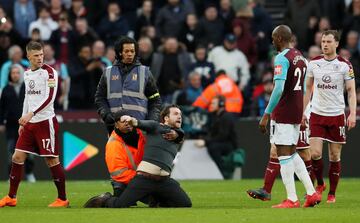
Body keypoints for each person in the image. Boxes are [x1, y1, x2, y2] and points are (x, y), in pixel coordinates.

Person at [0, 41, 69, 208]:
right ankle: (11, 197)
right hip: (30, 124)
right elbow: (27, 98)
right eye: (36, 55)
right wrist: (24, 119)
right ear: (28, 56)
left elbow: (50, 98)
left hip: (46, 122)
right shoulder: (27, 73)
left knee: (52, 160)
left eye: (41, 55)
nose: (40, 58)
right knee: (17, 156)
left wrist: (31, 114)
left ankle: (62, 199)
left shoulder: (50, 72)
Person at [258, 25, 320, 208]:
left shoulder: (282, 58)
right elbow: (305, 86)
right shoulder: (300, 56)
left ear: (278, 38)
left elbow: (278, 89)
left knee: (283, 154)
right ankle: (311, 193)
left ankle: (292, 199)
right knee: (292, 153)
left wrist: (266, 114)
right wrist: (301, 111)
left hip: (283, 111)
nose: (271, 41)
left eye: (273, 37)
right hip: (296, 109)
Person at [84, 105, 192, 208]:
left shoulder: (173, 134)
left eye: (180, 115)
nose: (179, 117)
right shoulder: (153, 127)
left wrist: (177, 134)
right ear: (166, 118)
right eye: (176, 114)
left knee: (185, 203)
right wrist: (130, 119)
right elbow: (138, 122)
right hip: (140, 179)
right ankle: (105, 199)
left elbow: (181, 133)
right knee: (120, 205)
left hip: (163, 181)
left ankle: (157, 199)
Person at [303, 30, 357, 203]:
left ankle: (332, 193)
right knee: (315, 153)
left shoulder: (344, 65)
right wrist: (302, 111)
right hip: (317, 113)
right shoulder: (314, 63)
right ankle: (320, 184)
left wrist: (352, 113)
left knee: (334, 156)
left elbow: (351, 91)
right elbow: (308, 89)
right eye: (323, 41)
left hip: (336, 115)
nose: (324, 44)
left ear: (337, 44)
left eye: (328, 41)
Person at [95, 36, 162, 135]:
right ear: (120, 53)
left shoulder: (145, 72)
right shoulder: (107, 73)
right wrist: (106, 114)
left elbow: (155, 100)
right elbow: (100, 98)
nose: (130, 54)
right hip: (115, 128)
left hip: (138, 130)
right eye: (126, 51)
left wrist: (150, 123)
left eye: (132, 51)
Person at [247, 105, 315, 201]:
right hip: (279, 113)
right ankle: (266, 190)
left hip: (293, 113)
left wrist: (302, 110)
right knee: (275, 151)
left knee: (303, 152)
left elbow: (304, 90)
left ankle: (310, 192)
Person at [0, 64, 36, 183]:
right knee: (11, 151)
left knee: (29, 152)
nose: (15, 75)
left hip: (27, 125)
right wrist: (1, 123)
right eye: (13, 73)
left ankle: (29, 174)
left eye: (17, 73)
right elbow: (2, 108)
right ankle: (12, 177)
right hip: (11, 126)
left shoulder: (27, 87)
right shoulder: (6, 89)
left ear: (21, 74)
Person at [194, 95, 237, 178]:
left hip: (229, 145)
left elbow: (222, 136)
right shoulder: (214, 116)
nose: (211, 105)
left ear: (221, 104)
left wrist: (205, 141)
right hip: (220, 142)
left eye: (213, 103)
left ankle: (223, 172)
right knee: (212, 145)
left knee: (213, 147)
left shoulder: (226, 117)